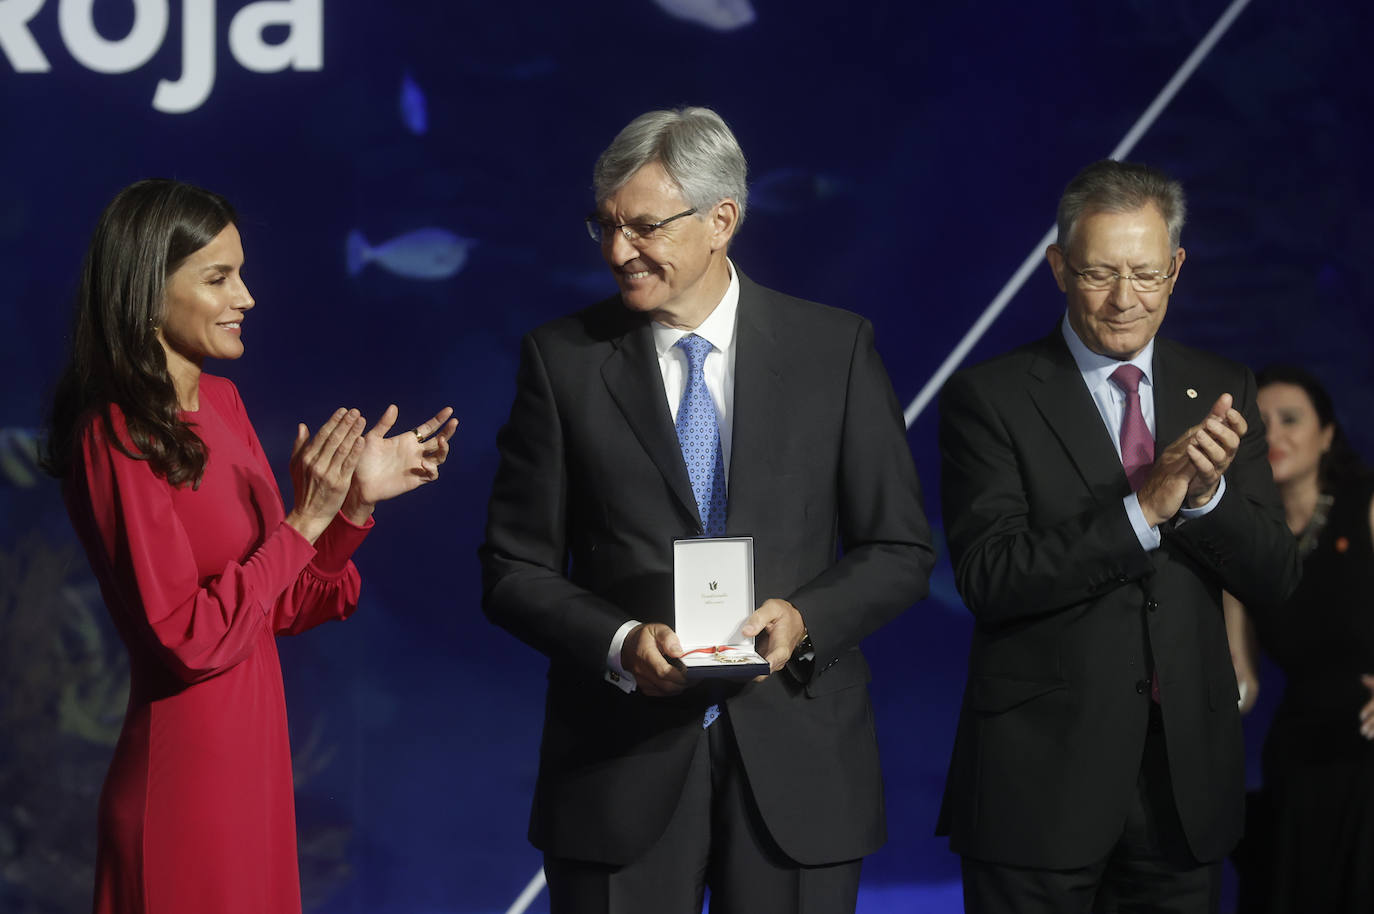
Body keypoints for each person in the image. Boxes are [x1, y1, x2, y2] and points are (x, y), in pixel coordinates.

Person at [479, 107, 934, 913]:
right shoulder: (562, 361)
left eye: (645, 226)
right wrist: (620, 644)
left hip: (799, 765)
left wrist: (805, 619)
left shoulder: (835, 350)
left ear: (722, 219)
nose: (621, 251)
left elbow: (898, 547)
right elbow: (514, 568)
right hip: (618, 768)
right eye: (607, 227)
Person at [42, 179, 458, 914]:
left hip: (254, 773)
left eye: (240, 273)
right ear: (145, 290)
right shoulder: (116, 434)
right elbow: (187, 639)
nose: (247, 297)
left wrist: (349, 510)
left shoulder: (224, 404)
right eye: (217, 278)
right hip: (186, 785)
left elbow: (283, 603)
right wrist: (304, 521)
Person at [935, 159, 1300, 913]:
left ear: (1177, 268)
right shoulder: (990, 397)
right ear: (1058, 267)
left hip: (1183, 791)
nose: (1126, 299)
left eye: (1147, 273)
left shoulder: (1221, 385)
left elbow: (1275, 575)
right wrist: (1144, 510)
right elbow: (991, 578)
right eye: (1101, 273)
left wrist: (1205, 499)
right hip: (1040, 786)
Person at [1228, 364, 1374, 913]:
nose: (1275, 435)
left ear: (1328, 435)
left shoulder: (1366, 504)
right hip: (1300, 757)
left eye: (1291, 420)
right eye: (1258, 424)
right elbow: (1240, 689)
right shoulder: (1245, 540)